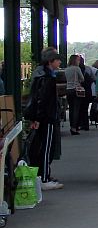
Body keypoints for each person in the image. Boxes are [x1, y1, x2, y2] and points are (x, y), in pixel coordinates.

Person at [25, 48, 63, 190]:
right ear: (50, 61)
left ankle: (41, 175)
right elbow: (42, 100)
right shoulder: (47, 78)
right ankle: (44, 178)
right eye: (57, 59)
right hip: (46, 118)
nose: (59, 62)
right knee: (46, 147)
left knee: (41, 146)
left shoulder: (40, 74)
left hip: (43, 117)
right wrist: (39, 118)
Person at [64, 54, 85, 135]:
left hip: (68, 89)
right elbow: (82, 79)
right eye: (78, 60)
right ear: (75, 61)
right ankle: (74, 127)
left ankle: (71, 126)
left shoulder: (67, 69)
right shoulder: (77, 68)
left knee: (71, 109)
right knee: (76, 109)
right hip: (76, 90)